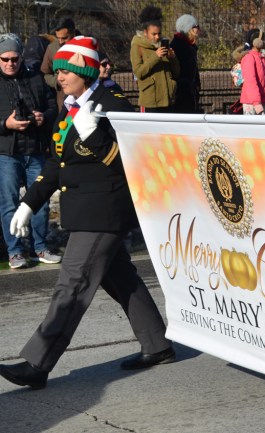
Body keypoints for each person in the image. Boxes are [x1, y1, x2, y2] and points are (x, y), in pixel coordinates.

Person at [0, 36, 175, 390]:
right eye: (58, 71)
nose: (59, 76)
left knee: (73, 284)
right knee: (121, 279)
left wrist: (96, 136)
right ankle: (157, 344)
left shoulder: (112, 104)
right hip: (83, 210)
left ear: (83, 71)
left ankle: (37, 362)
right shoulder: (71, 107)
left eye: (65, 70)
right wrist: (29, 202)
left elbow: (131, 164)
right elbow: (55, 163)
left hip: (103, 212)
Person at [0, 33, 60, 269]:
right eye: (4, 59)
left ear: (21, 57)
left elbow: (52, 106)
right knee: (8, 203)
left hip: (35, 149)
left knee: (41, 201)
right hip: (7, 152)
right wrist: (6, 124)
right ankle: (15, 251)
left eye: (14, 59)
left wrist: (42, 117)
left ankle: (40, 248)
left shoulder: (35, 78)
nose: (9, 63)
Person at [130, 5, 180, 113]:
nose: (157, 37)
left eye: (159, 33)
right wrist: (155, 57)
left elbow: (176, 73)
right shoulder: (137, 46)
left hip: (168, 100)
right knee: (150, 130)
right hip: (150, 102)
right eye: (154, 34)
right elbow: (138, 72)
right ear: (145, 32)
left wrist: (172, 59)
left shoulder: (163, 45)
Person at [40, 18, 78, 109]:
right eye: (58, 38)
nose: (60, 42)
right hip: (63, 101)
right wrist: (56, 82)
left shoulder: (87, 45)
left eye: (64, 38)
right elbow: (45, 73)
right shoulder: (52, 48)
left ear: (73, 33)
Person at [170, 14, 202, 114]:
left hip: (189, 91)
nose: (198, 29)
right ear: (188, 28)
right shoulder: (178, 46)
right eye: (195, 26)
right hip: (182, 93)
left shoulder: (189, 45)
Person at [240, 28, 265, 115]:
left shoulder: (261, 57)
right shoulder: (249, 58)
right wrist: (257, 104)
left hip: (263, 101)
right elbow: (250, 82)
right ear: (256, 41)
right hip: (254, 105)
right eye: (263, 39)